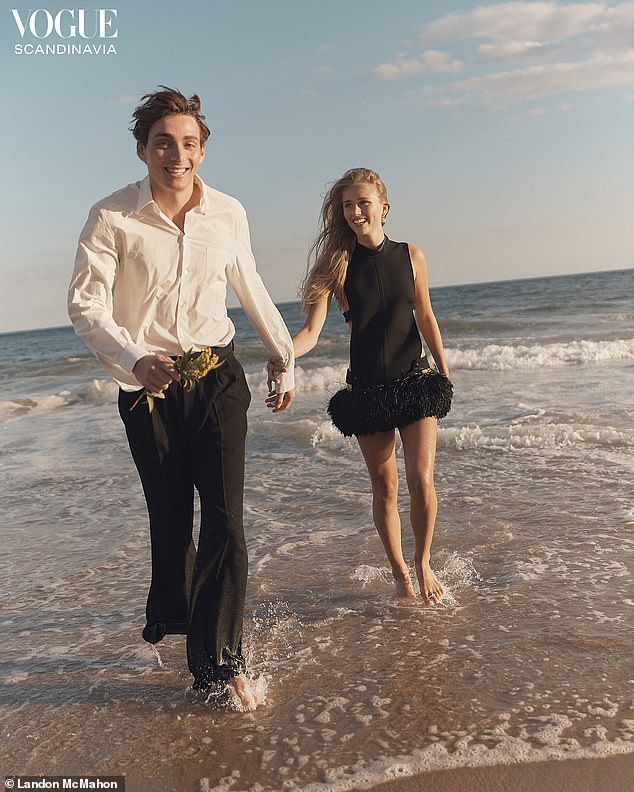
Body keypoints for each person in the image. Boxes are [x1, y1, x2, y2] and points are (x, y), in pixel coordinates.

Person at [68, 87, 295, 709]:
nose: (177, 154)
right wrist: (133, 358)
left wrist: (283, 355)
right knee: (172, 525)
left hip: (218, 377)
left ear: (203, 149)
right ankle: (179, 616)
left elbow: (250, 282)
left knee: (227, 521)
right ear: (143, 149)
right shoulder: (111, 216)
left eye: (189, 143)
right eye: (163, 142)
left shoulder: (228, 213)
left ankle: (220, 665)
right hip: (148, 388)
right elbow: (85, 303)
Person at [268, 168, 451, 603]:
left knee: (421, 480)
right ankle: (401, 575)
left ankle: (423, 562)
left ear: (384, 208)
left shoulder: (412, 256)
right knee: (385, 489)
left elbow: (425, 317)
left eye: (362, 203)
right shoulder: (336, 265)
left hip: (415, 382)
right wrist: (283, 355)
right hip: (367, 392)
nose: (354, 212)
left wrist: (444, 370)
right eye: (347, 205)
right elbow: (311, 332)